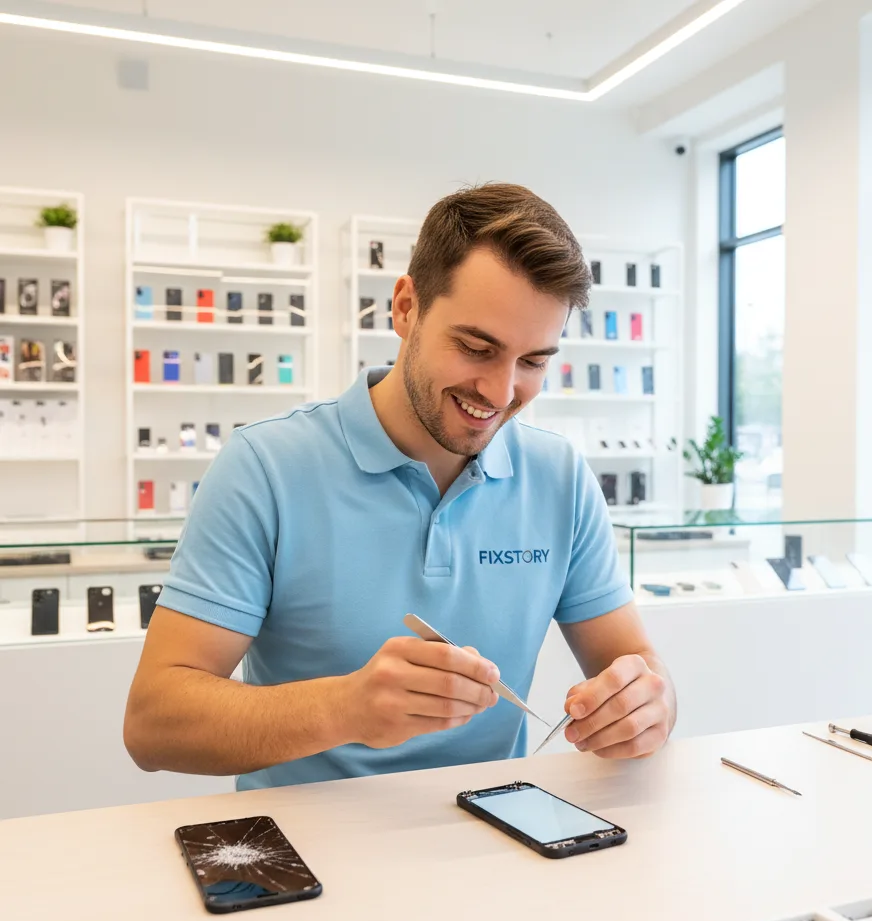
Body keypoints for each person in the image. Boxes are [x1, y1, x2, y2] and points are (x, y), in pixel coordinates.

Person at [124, 183, 675, 789]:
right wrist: (344, 709)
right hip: (309, 848)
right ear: (406, 307)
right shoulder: (265, 467)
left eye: (534, 362)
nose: (499, 390)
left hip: (499, 833)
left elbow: (636, 664)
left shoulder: (560, 477)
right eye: (475, 347)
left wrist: (650, 703)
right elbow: (154, 724)